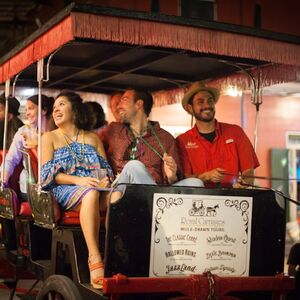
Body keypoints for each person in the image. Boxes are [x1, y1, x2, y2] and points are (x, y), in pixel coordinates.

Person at [41, 91, 113, 289]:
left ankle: (119, 255)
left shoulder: (93, 138)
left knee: (119, 196)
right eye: (54, 106)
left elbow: (106, 169)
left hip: (95, 187)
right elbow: (48, 174)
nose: (55, 109)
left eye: (61, 104)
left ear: (75, 110)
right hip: (65, 189)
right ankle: (94, 257)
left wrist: (105, 181)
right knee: (90, 193)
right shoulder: (49, 137)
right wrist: (79, 180)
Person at [102, 88, 203, 198]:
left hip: (156, 191)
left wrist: (171, 176)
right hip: (122, 192)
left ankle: (156, 204)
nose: (118, 106)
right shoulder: (113, 131)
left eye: (124, 100)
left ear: (139, 104)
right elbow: (93, 148)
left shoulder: (165, 138)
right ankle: (156, 206)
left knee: (196, 183)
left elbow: (173, 181)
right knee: (134, 166)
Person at [176, 81, 259, 188]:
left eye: (210, 101)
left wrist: (243, 183)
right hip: (198, 201)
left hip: (233, 197)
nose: (207, 105)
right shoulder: (182, 141)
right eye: (200, 102)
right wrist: (206, 176)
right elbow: (184, 179)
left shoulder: (235, 132)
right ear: (190, 108)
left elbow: (249, 172)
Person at [1, 94, 54, 198]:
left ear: (44, 110)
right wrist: (3, 180)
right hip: (29, 185)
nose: (27, 113)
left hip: (55, 184)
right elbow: (10, 159)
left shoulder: (57, 133)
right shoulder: (23, 132)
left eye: (31, 108)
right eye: (26, 110)